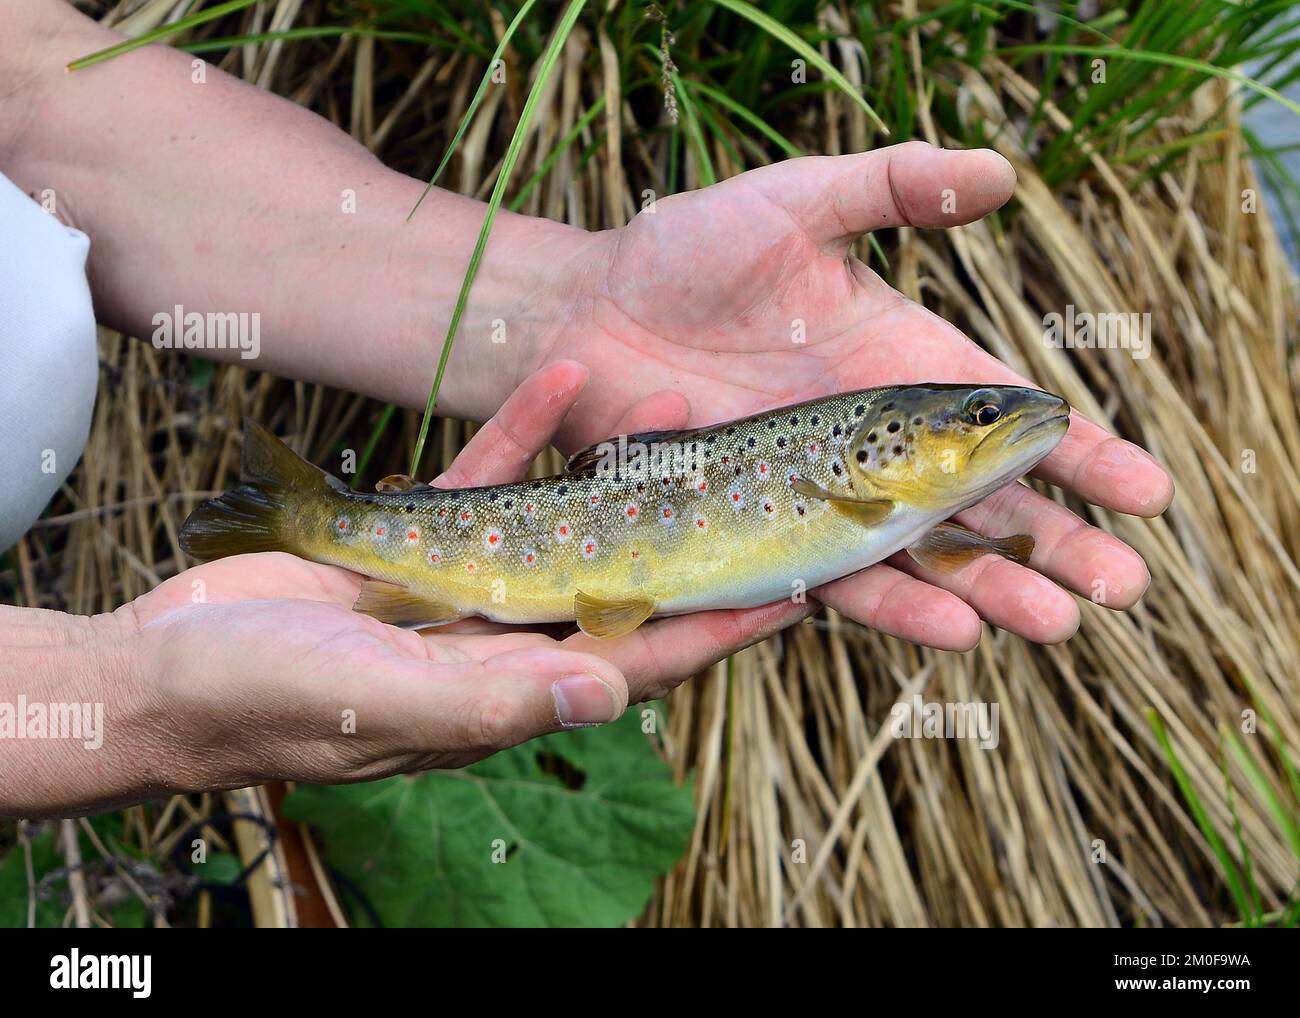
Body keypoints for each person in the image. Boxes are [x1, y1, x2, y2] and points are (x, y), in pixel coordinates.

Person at [0, 0, 1172, 818]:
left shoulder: (887, 500)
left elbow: (30, 90)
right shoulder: (866, 495)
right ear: (884, 450)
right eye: (975, 414)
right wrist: (118, 700)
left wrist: (562, 298)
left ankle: (319, 515)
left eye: (974, 415)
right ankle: (315, 517)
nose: (1003, 418)